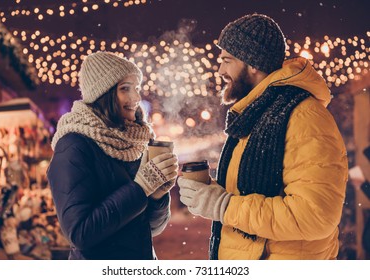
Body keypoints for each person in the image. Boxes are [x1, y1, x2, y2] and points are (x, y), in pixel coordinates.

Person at [178, 14, 348, 260]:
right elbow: (249, 195)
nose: (220, 70)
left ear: (252, 63)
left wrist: (224, 206)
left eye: (227, 60)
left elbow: (315, 216)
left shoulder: (304, 117)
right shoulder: (254, 116)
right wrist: (209, 195)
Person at [47, 52, 178, 260]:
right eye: (125, 88)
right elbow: (80, 233)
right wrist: (141, 187)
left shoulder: (132, 142)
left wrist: (157, 195)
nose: (136, 98)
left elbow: (151, 228)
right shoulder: (73, 145)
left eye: (136, 88)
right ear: (102, 93)